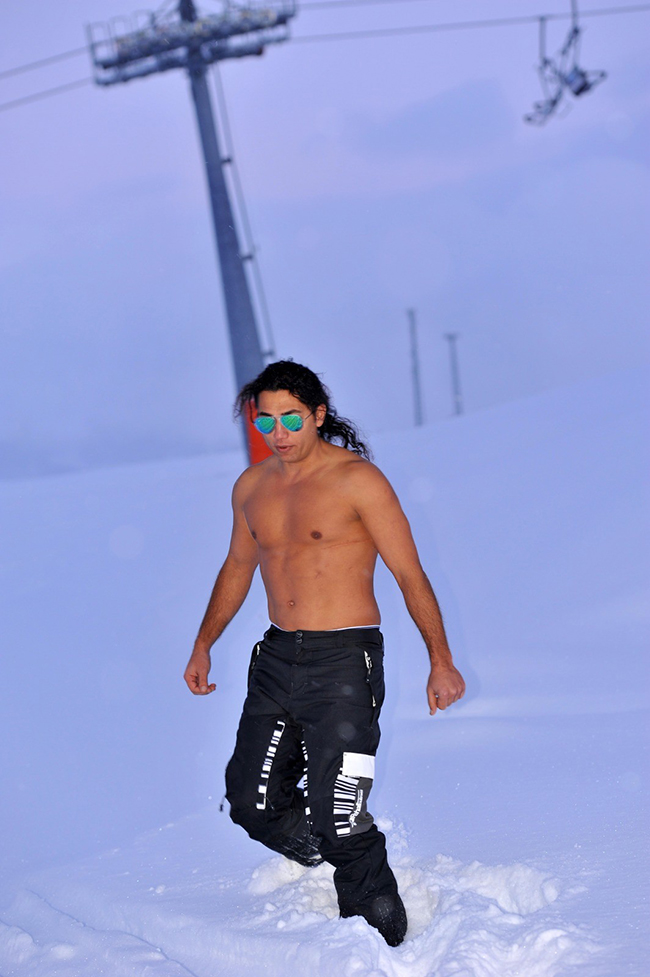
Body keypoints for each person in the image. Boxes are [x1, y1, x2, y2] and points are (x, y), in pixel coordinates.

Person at [183, 360, 465, 947]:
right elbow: (237, 567)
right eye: (266, 421)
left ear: (317, 415)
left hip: (344, 663)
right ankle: (329, 850)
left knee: (339, 814)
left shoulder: (358, 481)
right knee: (251, 803)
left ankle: (382, 942)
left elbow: (410, 574)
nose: (279, 431)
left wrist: (440, 660)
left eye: (291, 417)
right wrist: (204, 642)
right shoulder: (251, 488)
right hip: (277, 659)